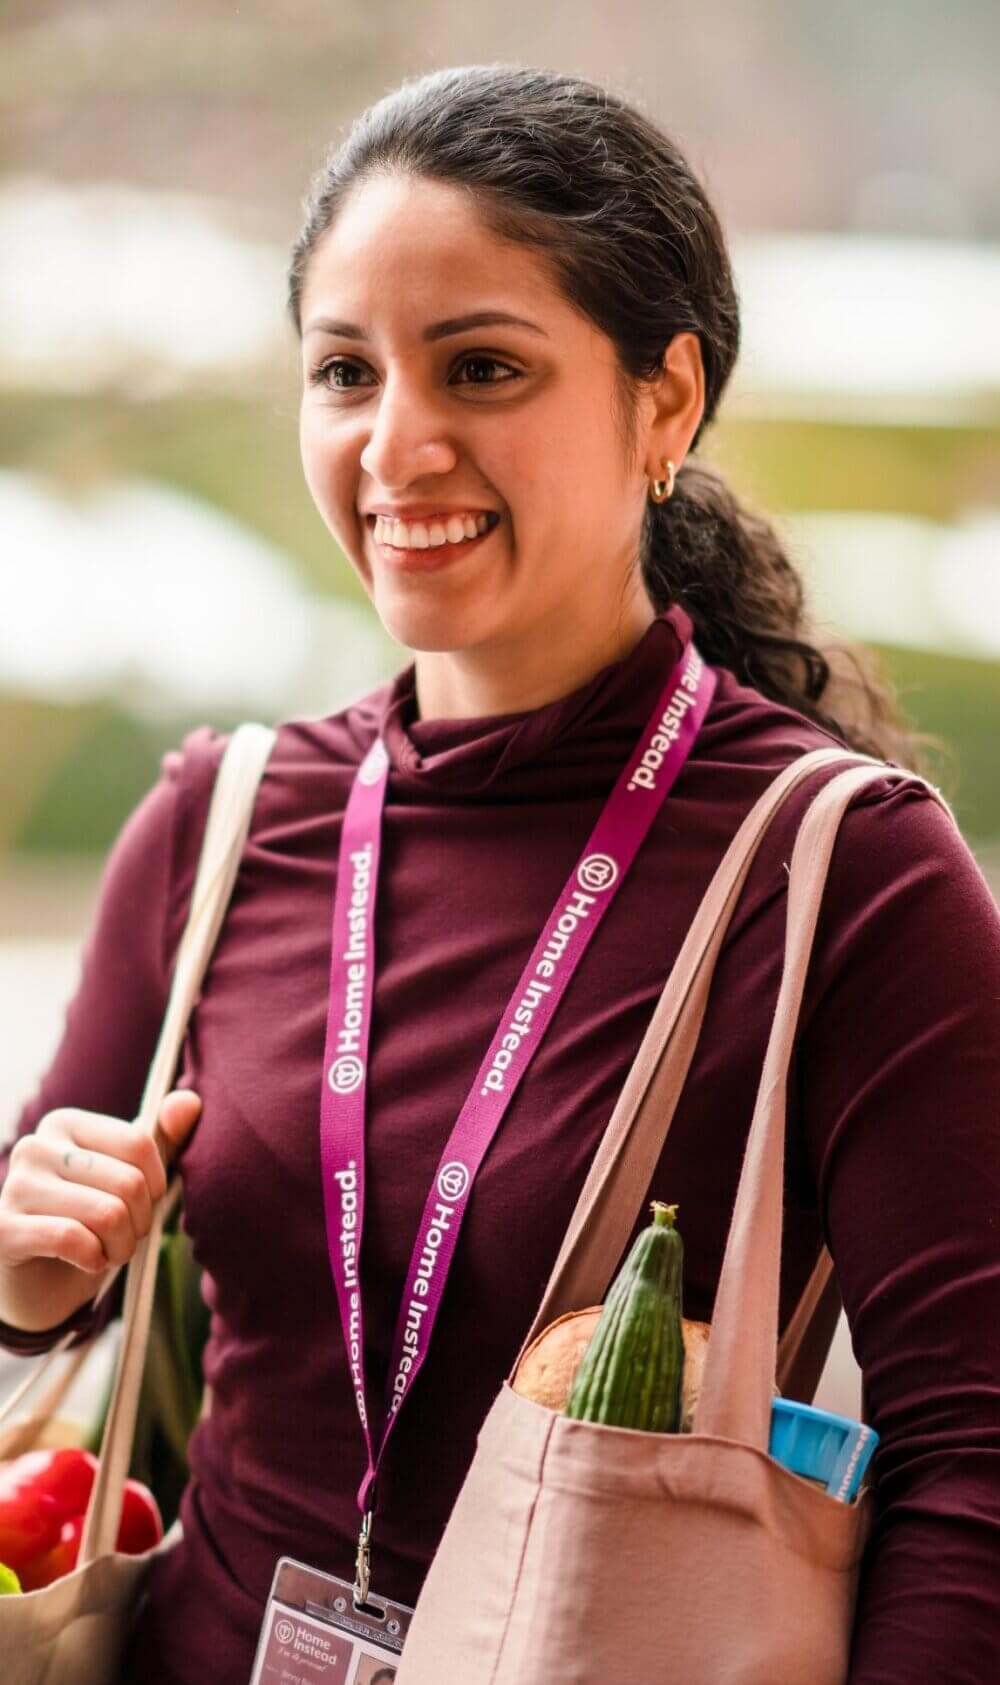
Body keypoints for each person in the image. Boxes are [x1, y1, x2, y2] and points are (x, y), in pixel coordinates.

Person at [0, 62, 998, 1685]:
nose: (399, 444)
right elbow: (40, 1285)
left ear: (664, 400)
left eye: (481, 367)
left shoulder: (843, 873)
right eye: (345, 370)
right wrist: (30, 1276)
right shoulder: (221, 819)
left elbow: (974, 1462)